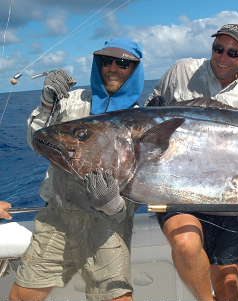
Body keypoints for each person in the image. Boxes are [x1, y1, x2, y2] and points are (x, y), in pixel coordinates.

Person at [9, 37, 145, 301]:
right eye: (106, 61)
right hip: (60, 217)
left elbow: (143, 181)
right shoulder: (70, 101)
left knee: (116, 297)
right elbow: (37, 141)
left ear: (135, 69)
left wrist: (114, 205)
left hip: (108, 225)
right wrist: (48, 104)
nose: (113, 67)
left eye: (123, 63)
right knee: (22, 295)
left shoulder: (140, 120)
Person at [145, 24, 238, 301]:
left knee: (230, 286)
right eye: (218, 49)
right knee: (186, 243)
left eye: (233, 52)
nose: (223, 57)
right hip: (178, 188)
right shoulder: (181, 70)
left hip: (228, 194)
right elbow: (146, 117)